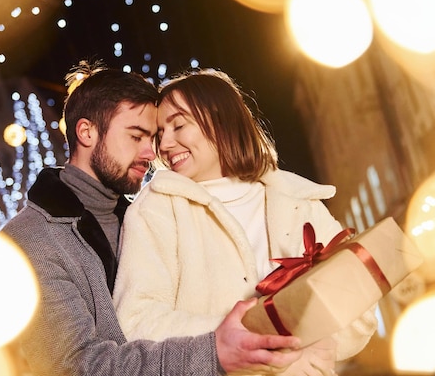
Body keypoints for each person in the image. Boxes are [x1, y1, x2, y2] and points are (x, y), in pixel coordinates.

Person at [1, 61, 303, 376]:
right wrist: (213, 353)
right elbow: (76, 367)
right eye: (136, 136)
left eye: (153, 137)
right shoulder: (27, 242)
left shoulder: (147, 216)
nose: (152, 152)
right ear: (87, 132)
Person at [112, 69, 379, 375]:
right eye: (160, 134)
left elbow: (360, 305)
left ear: (220, 119)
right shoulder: (156, 209)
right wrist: (245, 339)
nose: (165, 144)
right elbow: (136, 322)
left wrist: (321, 343)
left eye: (178, 125)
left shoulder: (298, 200)